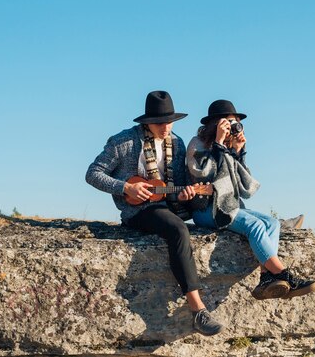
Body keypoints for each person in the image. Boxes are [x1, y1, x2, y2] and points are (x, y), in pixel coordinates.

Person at [85, 90, 223, 336]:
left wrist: (182, 195)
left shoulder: (177, 143)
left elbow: (176, 183)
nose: (166, 127)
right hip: (138, 210)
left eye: (170, 121)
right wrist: (125, 187)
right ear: (147, 122)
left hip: (167, 205)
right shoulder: (123, 142)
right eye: (160, 122)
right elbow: (93, 173)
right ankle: (198, 310)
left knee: (207, 213)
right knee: (178, 230)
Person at [185, 99, 315, 300]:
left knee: (272, 223)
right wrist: (219, 144)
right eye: (228, 122)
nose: (232, 127)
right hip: (205, 210)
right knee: (254, 226)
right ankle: (285, 275)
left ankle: (266, 278)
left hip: (227, 205)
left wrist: (238, 152)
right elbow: (203, 173)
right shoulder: (197, 143)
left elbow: (243, 186)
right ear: (215, 124)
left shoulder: (228, 147)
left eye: (235, 122)